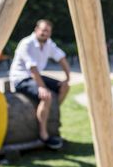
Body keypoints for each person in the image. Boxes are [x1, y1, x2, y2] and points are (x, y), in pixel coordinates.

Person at [9, 19, 71, 150]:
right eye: (42, 30)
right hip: (21, 78)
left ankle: (51, 111)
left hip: (35, 75)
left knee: (65, 87)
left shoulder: (49, 44)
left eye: (47, 31)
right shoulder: (26, 43)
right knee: (46, 96)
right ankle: (44, 135)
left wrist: (67, 77)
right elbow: (32, 69)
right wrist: (42, 87)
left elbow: (61, 58)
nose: (44, 33)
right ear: (36, 30)